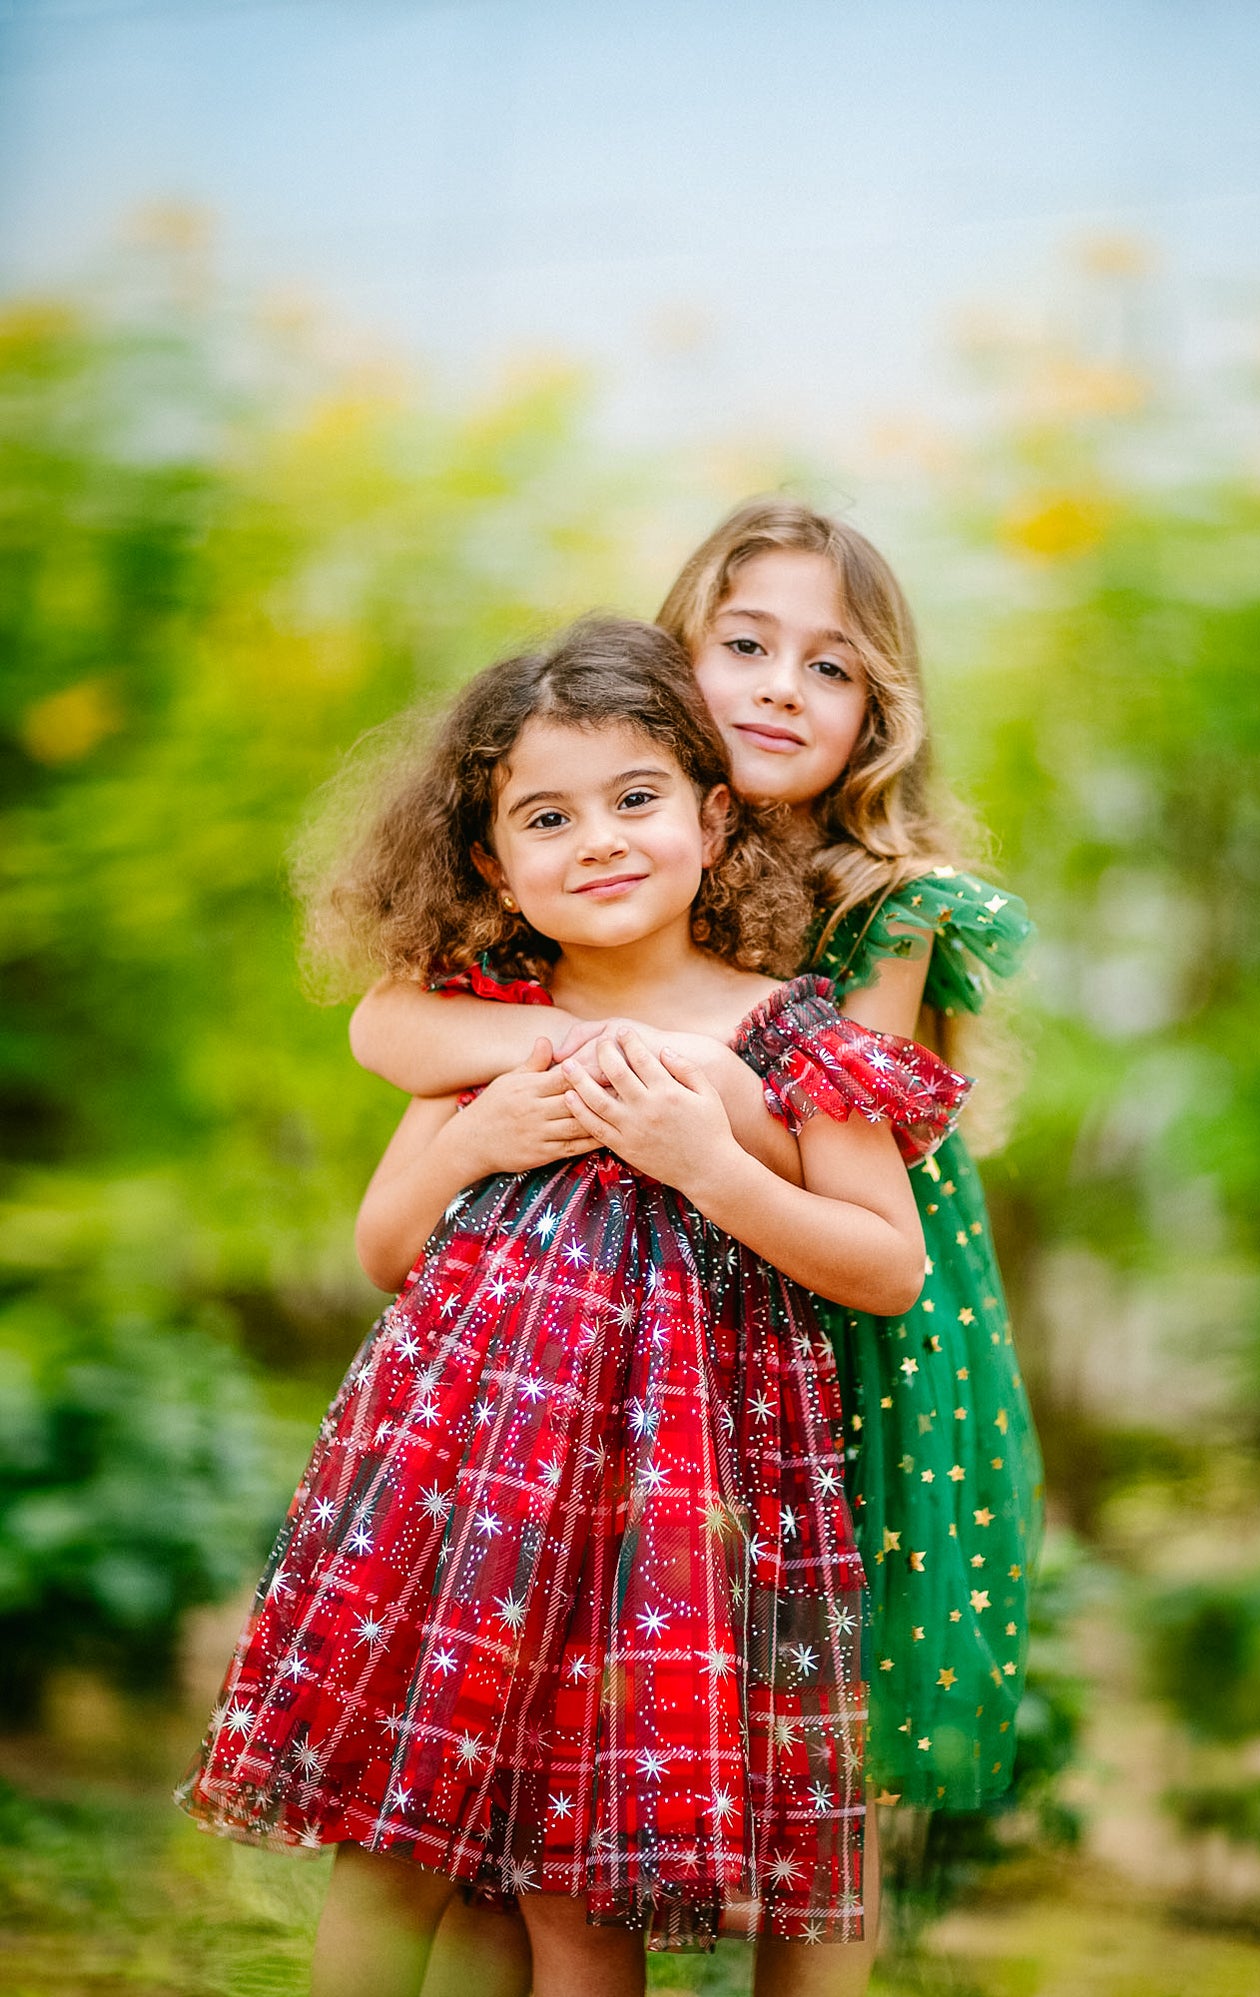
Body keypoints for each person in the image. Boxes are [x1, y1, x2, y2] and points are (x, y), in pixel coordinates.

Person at [178, 615, 971, 1997]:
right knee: (397, 1841)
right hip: (471, 1496)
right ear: (492, 860)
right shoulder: (482, 1020)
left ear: (715, 821)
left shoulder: (795, 1035)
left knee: (581, 1888)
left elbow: (885, 1263)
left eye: (636, 798)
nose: (597, 837)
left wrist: (710, 1162)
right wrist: (484, 1137)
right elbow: (384, 1246)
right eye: (547, 815)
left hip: (688, 1515)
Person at [351, 501, 1044, 1993]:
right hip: (653, 1335)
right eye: (745, 644)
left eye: (831, 665)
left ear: (876, 712)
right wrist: (611, 1044)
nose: (782, 686)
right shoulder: (600, 848)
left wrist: (707, 1092)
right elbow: (387, 1025)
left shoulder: (885, 904)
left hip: (859, 1338)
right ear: (675, 653)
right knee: (561, 1732)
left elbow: (833, 1164)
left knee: (814, 1745)